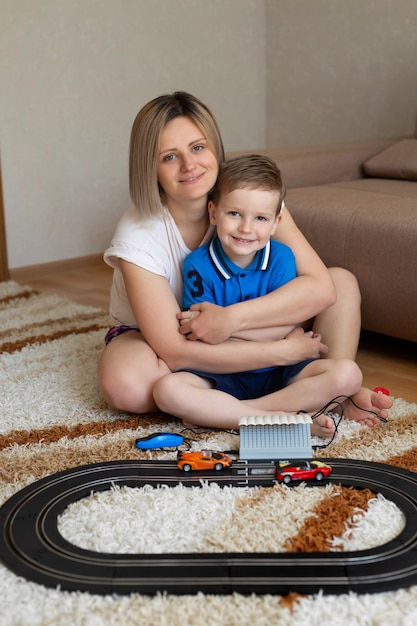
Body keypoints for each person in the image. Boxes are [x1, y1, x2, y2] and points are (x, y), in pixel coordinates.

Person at [98, 91, 392, 427]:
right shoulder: (138, 233)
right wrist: (282, 351)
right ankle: (298, 405)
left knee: (342, 282)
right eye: (169, 157)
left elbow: (323, 289)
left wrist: (230, 320)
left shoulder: (248, 198)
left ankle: (325, 397)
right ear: (149, 167)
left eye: (197, 147)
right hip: (162, 336)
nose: (189, 165)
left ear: (215, 148)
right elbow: (175, 350)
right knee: (127, 386)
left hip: (242, 325)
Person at [152, 154, 363, 435]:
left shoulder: (282, 259)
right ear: (214, 213)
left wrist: (227, 328)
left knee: (349, 374)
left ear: (276, 224)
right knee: (167, 390)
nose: (246, 228)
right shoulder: (197, 266)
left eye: (260, 218)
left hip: (281, 374)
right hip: (222, 372)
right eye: (234, 213)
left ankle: (247, 414)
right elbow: (201, 335)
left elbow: (284, 324)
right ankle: (289, 417)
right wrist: (271, 336)